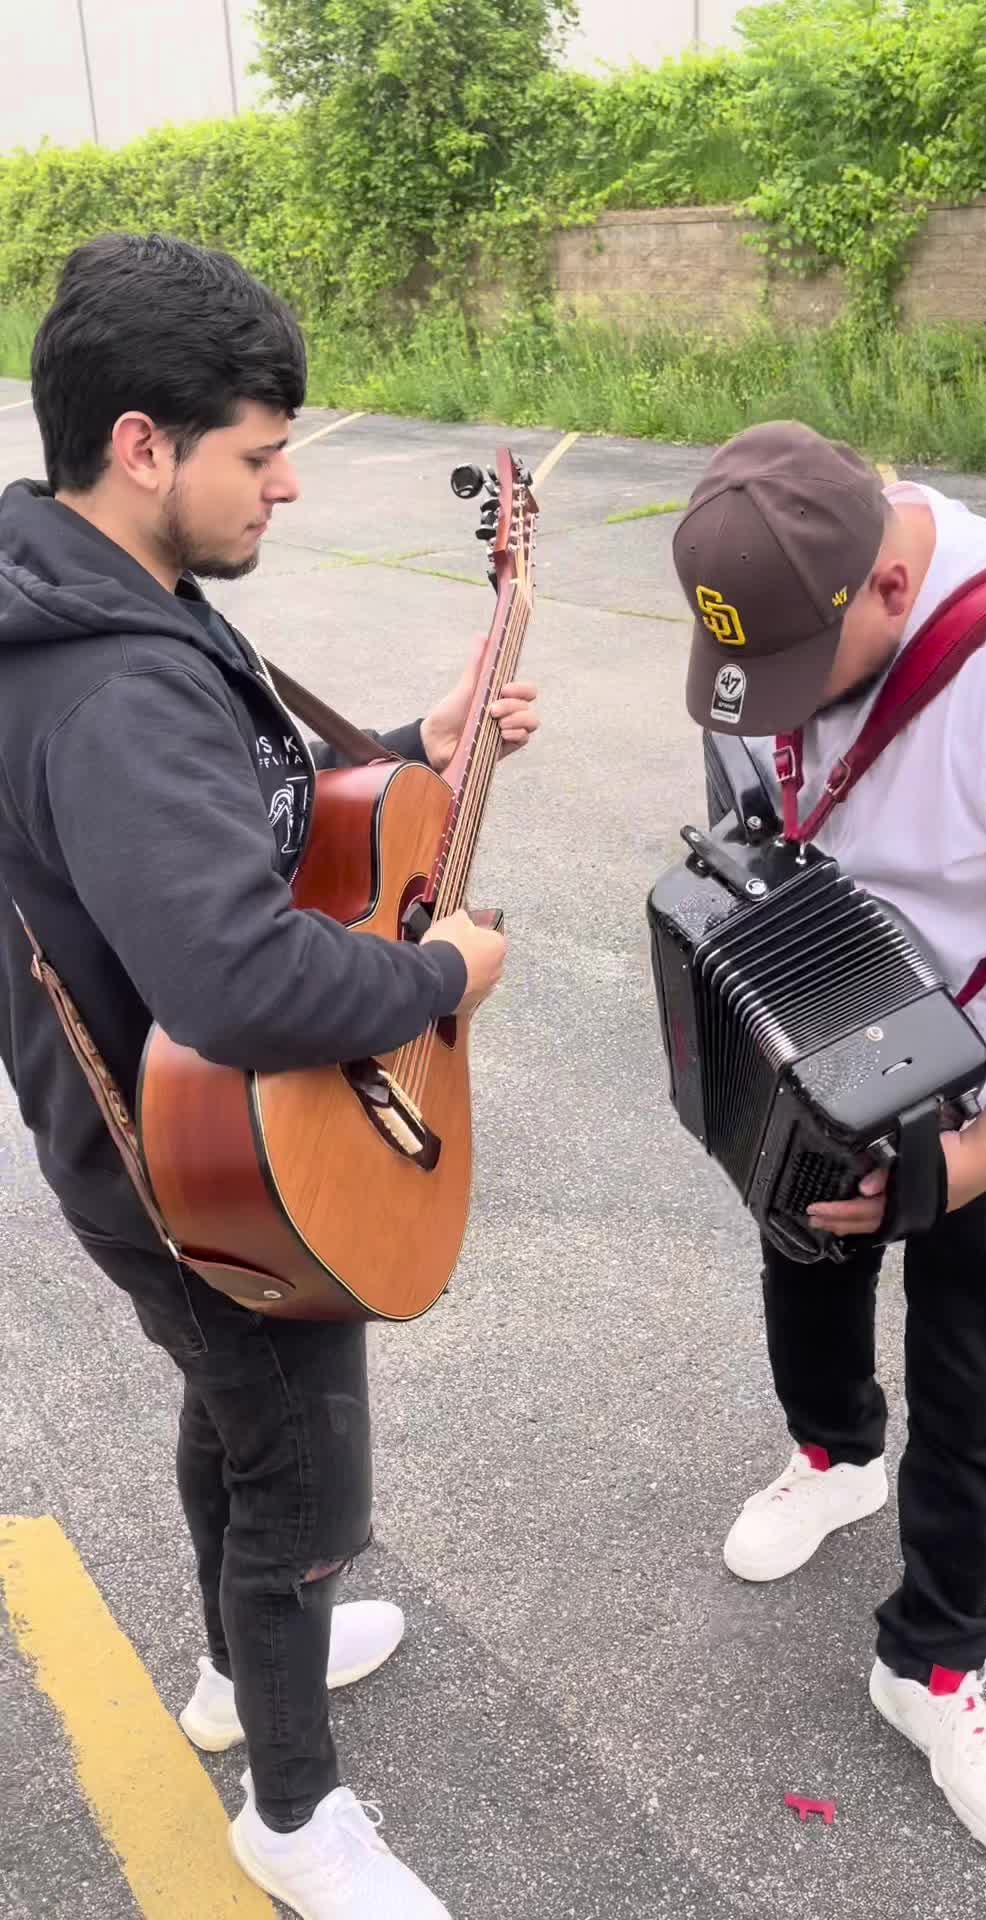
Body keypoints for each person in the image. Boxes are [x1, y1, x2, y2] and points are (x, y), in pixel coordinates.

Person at [0, 233, 538, 1919]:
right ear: (141, 446)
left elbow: (244, 821)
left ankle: (240, 1673)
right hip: (196, 1162)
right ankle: (294, 1820)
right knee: (296, 1466)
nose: (290, 483)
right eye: (261, 450)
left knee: (231, 1410)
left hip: (171, 1142)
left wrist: (416, 749)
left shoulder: (103, 589)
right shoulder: (113, 684)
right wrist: (443, 973)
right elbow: (235, 977)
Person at [672, 420, 986, 1862]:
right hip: (832, 1040)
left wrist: (978, 1158)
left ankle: (935, 1665)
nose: (774, 707)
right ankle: (835, 1455)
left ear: (891, 589)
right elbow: (751, 806)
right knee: (804, 1264)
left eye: (805, 675)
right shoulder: (770, 604)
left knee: (980, 1375)